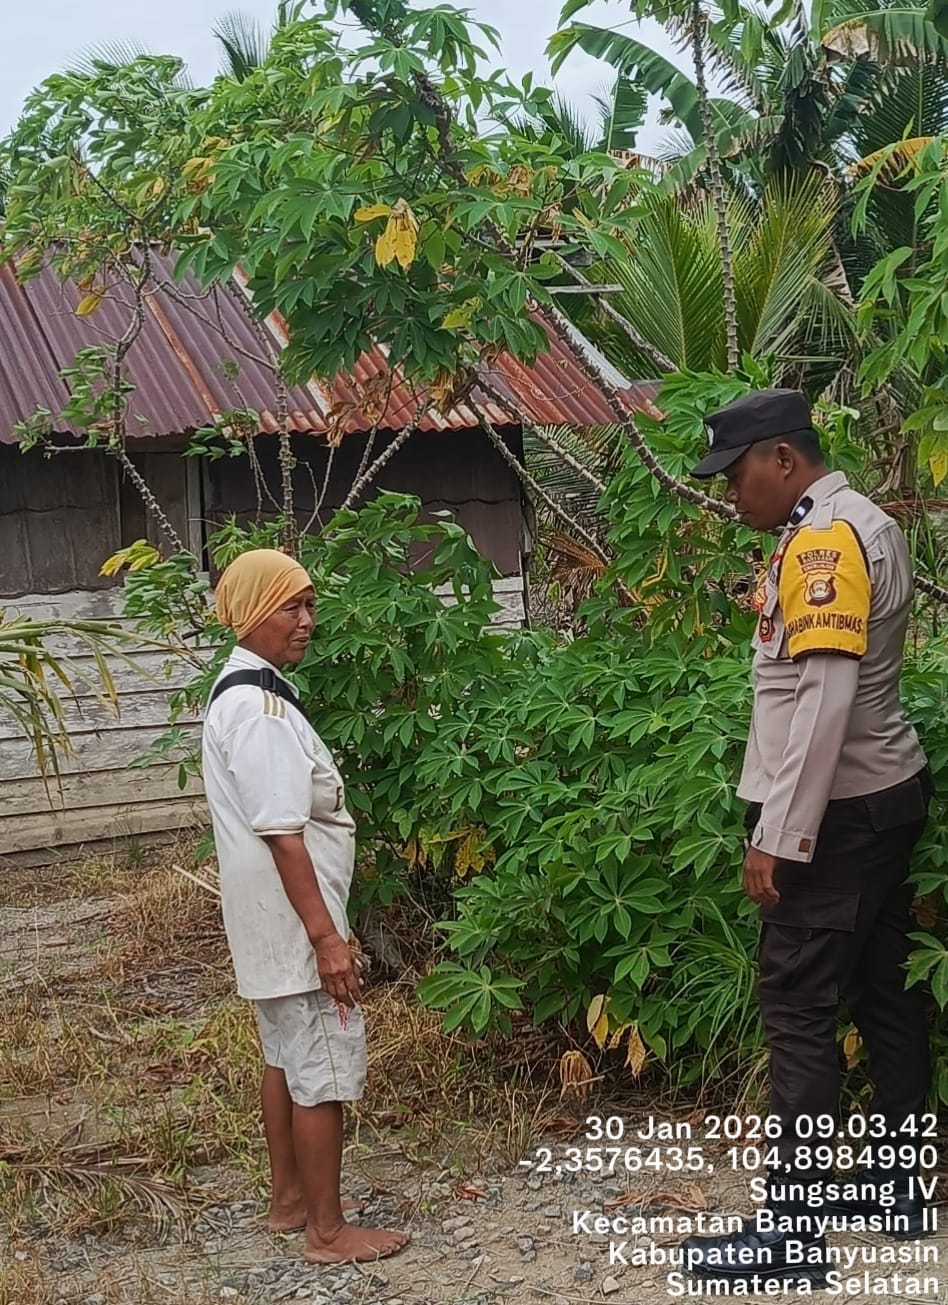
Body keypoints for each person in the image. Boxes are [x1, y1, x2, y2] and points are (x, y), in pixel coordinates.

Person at [680, 390, 932, 1286]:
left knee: (797, 1008)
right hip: (884, 793)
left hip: (835, 815)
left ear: (782, 458)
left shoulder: (824, 539)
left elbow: (823, 696)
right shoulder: (861, 520)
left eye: (737, 474)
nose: (730, 494)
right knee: (882, 988)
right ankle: (899, 1187)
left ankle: (790, 1235)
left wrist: (781, 835)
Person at [201, 547, 410, 1265]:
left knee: (284, 1058)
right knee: (320, 1065)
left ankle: (290, 1200)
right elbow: (284, 834)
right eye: (290, 606)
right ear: (252, 613)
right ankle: (327, 1231)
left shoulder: (244, 692)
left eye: (310, 605)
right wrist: (327, 939)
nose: (306, 620)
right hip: (295, 920)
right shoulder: (258, 711)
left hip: (268, 919)